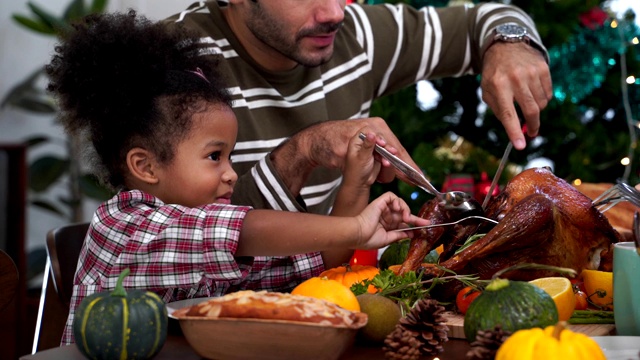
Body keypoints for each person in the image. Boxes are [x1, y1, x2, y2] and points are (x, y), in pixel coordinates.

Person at [46, 10, 428, 345]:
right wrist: (359, 228)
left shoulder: (212, 249)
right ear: (145, 166)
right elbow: (243, 228)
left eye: (228, 155)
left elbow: (321, 255)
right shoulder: (127, 228)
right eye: (215, 156)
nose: (231, 173)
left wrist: (355, 184)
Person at [162, 0, 553, 216]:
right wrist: (303, 152)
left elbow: (484, 18)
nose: (334, 13)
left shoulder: (355, 34)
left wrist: (511, 43)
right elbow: (180, 241)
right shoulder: (172, 60)